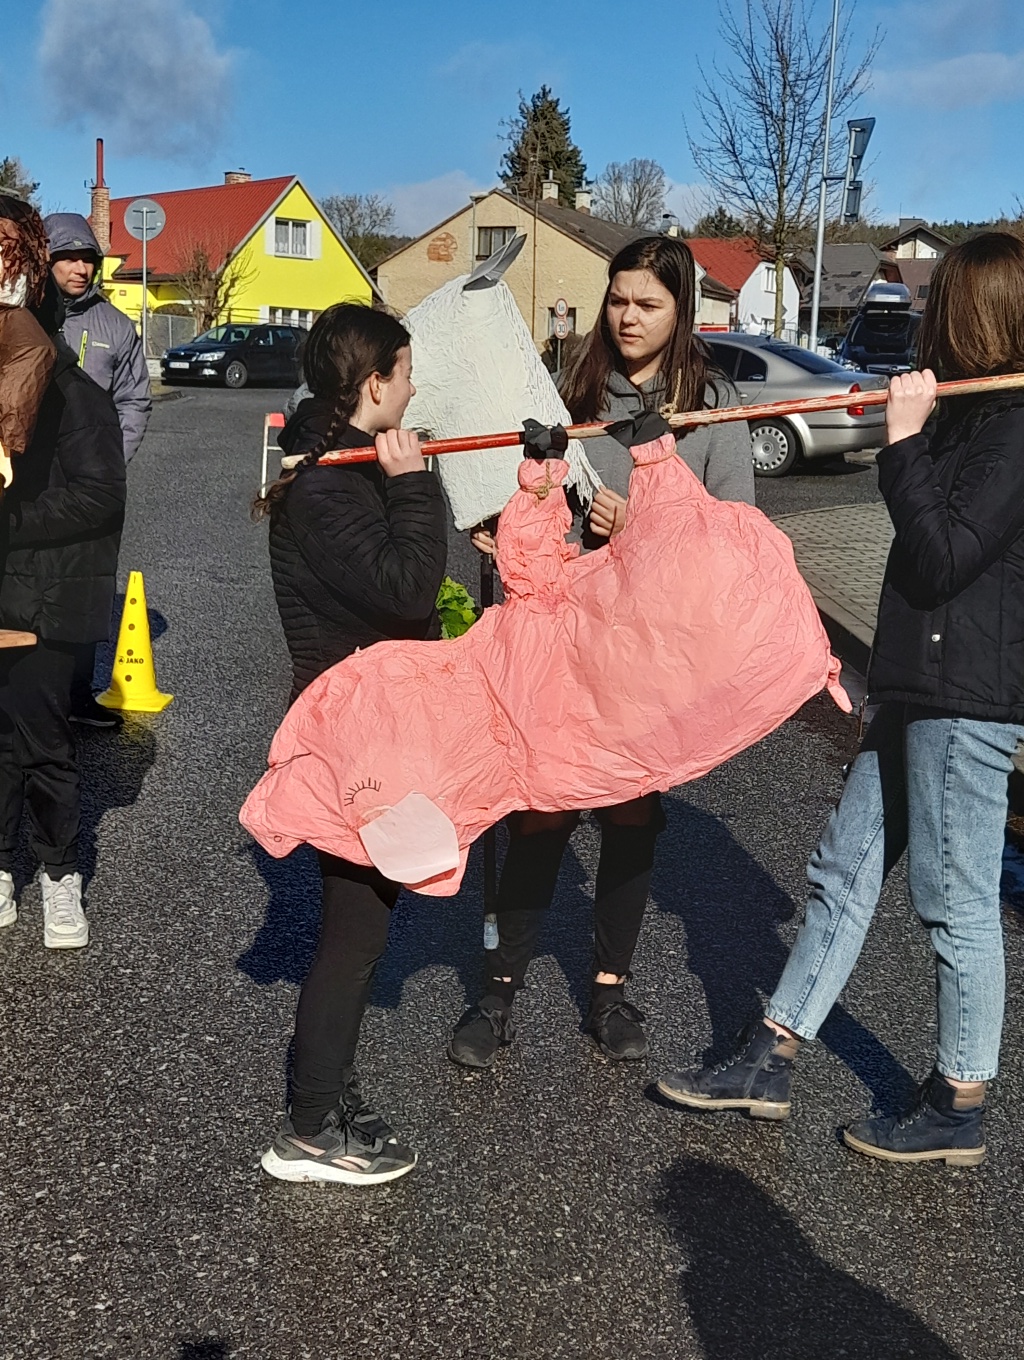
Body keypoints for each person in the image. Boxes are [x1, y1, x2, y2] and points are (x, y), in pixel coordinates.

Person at [657, 232, 1024, 1168]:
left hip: (967, 701)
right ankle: (771, 1055)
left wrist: (902, 442)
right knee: (842, 871)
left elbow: (942, 557)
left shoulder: (1016, 428)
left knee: (954, 902)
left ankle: (959, 1101)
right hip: (914, 687)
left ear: (977, 313)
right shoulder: (967, 414)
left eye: (941, 302)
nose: (927, 316)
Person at [448, 235, 755, 1069]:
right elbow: (514, 487)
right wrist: (498, 523)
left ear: (681, 311)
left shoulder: (713, 406)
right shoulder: (566, 392)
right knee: (539, 812)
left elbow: (736, 542)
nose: (627, 317)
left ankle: (609, 990)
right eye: (618, 299)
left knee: (629, 815)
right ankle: (497, 992)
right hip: (560, 645)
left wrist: (644, 525)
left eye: (648, 303)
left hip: (648, 654)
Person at [252, 302, 447, 1185]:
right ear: (373, 384)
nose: (413, 389)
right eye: (404, 374)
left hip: (368, 725)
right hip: (353, 736)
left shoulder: (335, 463)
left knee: (360, 922)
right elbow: (408, 589)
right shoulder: (327, 486)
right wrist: (413, 485)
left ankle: (327, 1093)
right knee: (355, 931)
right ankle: (308, 1132)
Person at [0, 203, 126, 950]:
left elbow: (101, 495)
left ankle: (59, 875)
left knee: (44, 744)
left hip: (45, 597)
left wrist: (13, 520)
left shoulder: (76, 393)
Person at [44, 213, 152, 732]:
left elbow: (135, 401)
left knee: (85, 586)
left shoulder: (116, 326)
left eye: (87, 258)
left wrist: (109, 465)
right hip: (33, 478)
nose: (80, 268)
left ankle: (77, 695)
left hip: (92, 485)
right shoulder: (25, 317)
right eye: (67, 257)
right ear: (46, 261)